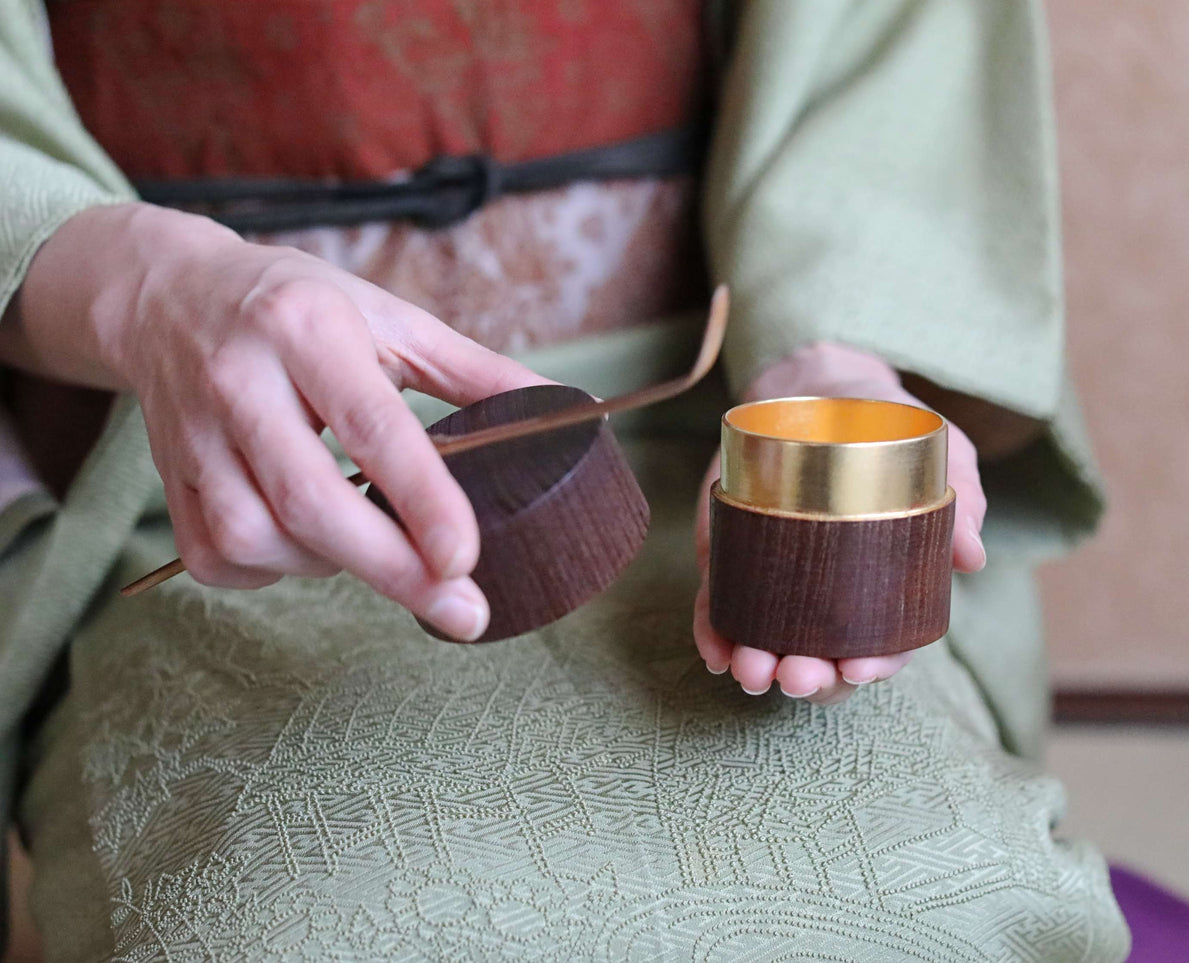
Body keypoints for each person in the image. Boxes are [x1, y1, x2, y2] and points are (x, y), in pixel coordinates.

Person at [0, 0, 1128, 959]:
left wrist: (827, 352)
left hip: (704, 410)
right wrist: (148, 289)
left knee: (948, 897)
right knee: (320, 916)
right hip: (196, 454)